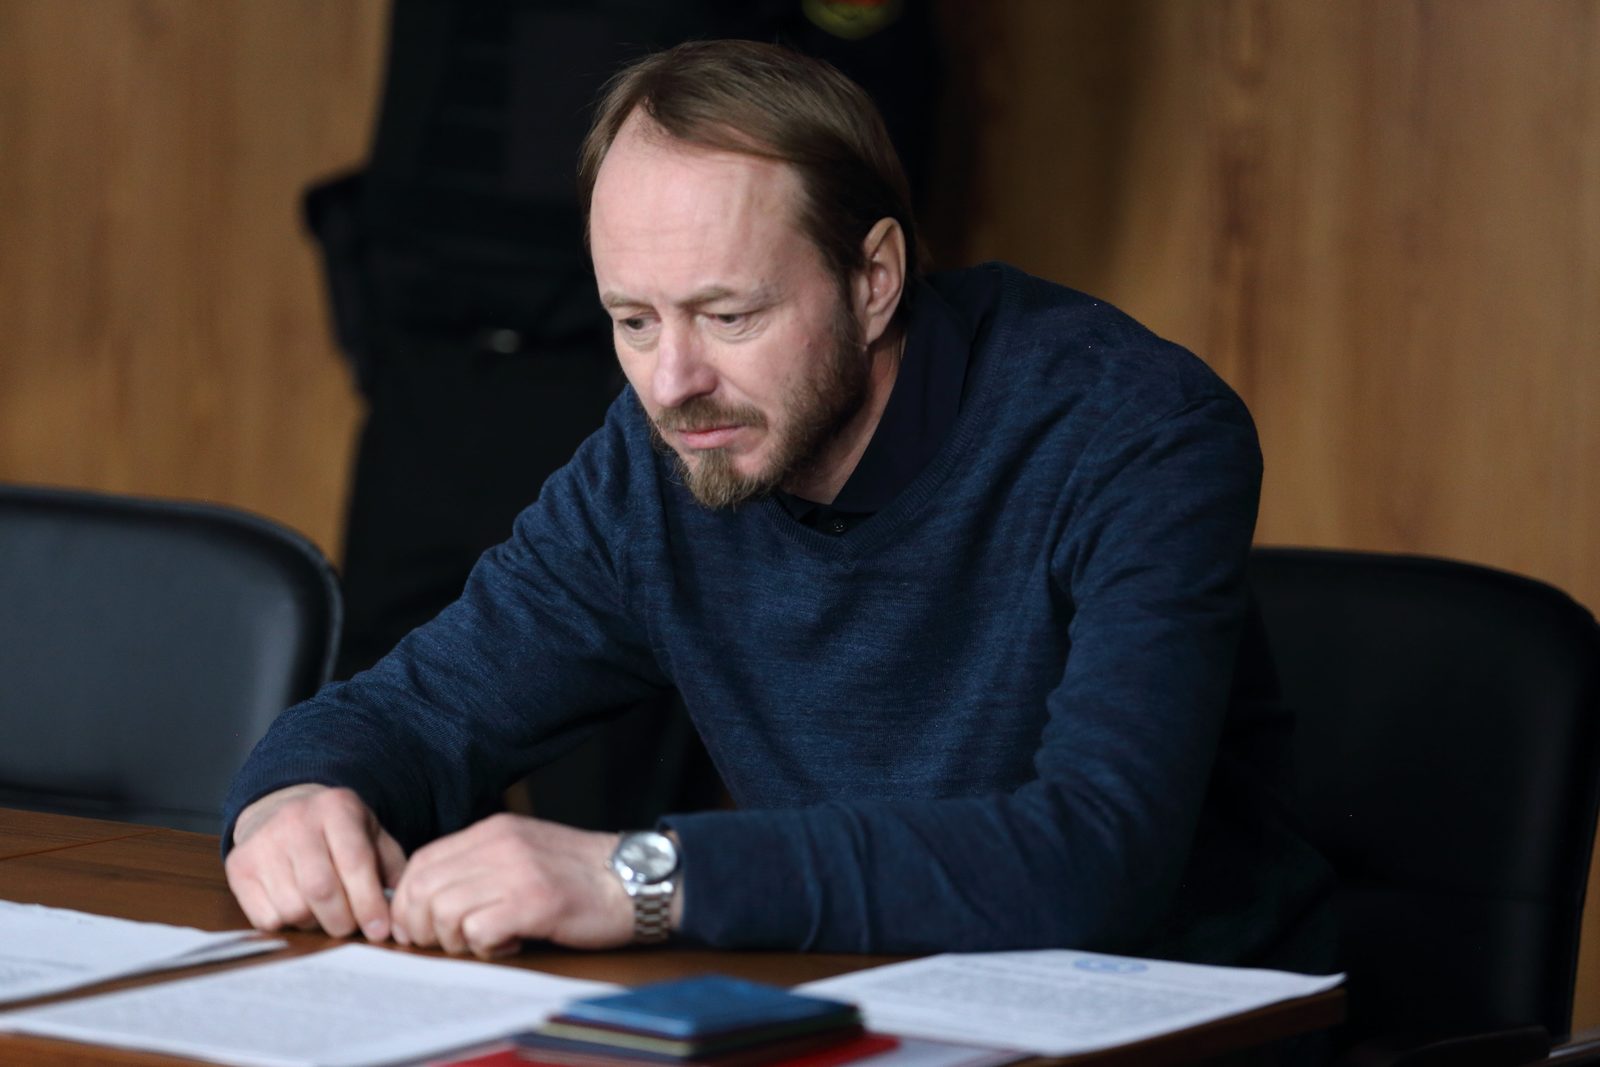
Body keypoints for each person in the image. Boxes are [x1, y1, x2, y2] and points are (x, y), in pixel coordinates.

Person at [224, 39, 1334, 971]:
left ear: (874, 278)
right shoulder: (658, 462)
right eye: (634, 320)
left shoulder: (1132, 430)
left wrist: (640, 877)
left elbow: (1094, 859)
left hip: (1179, 1024)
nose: (672, 383)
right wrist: (295, 797)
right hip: (867, 1006)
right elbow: (416, 709)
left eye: (729, 315)